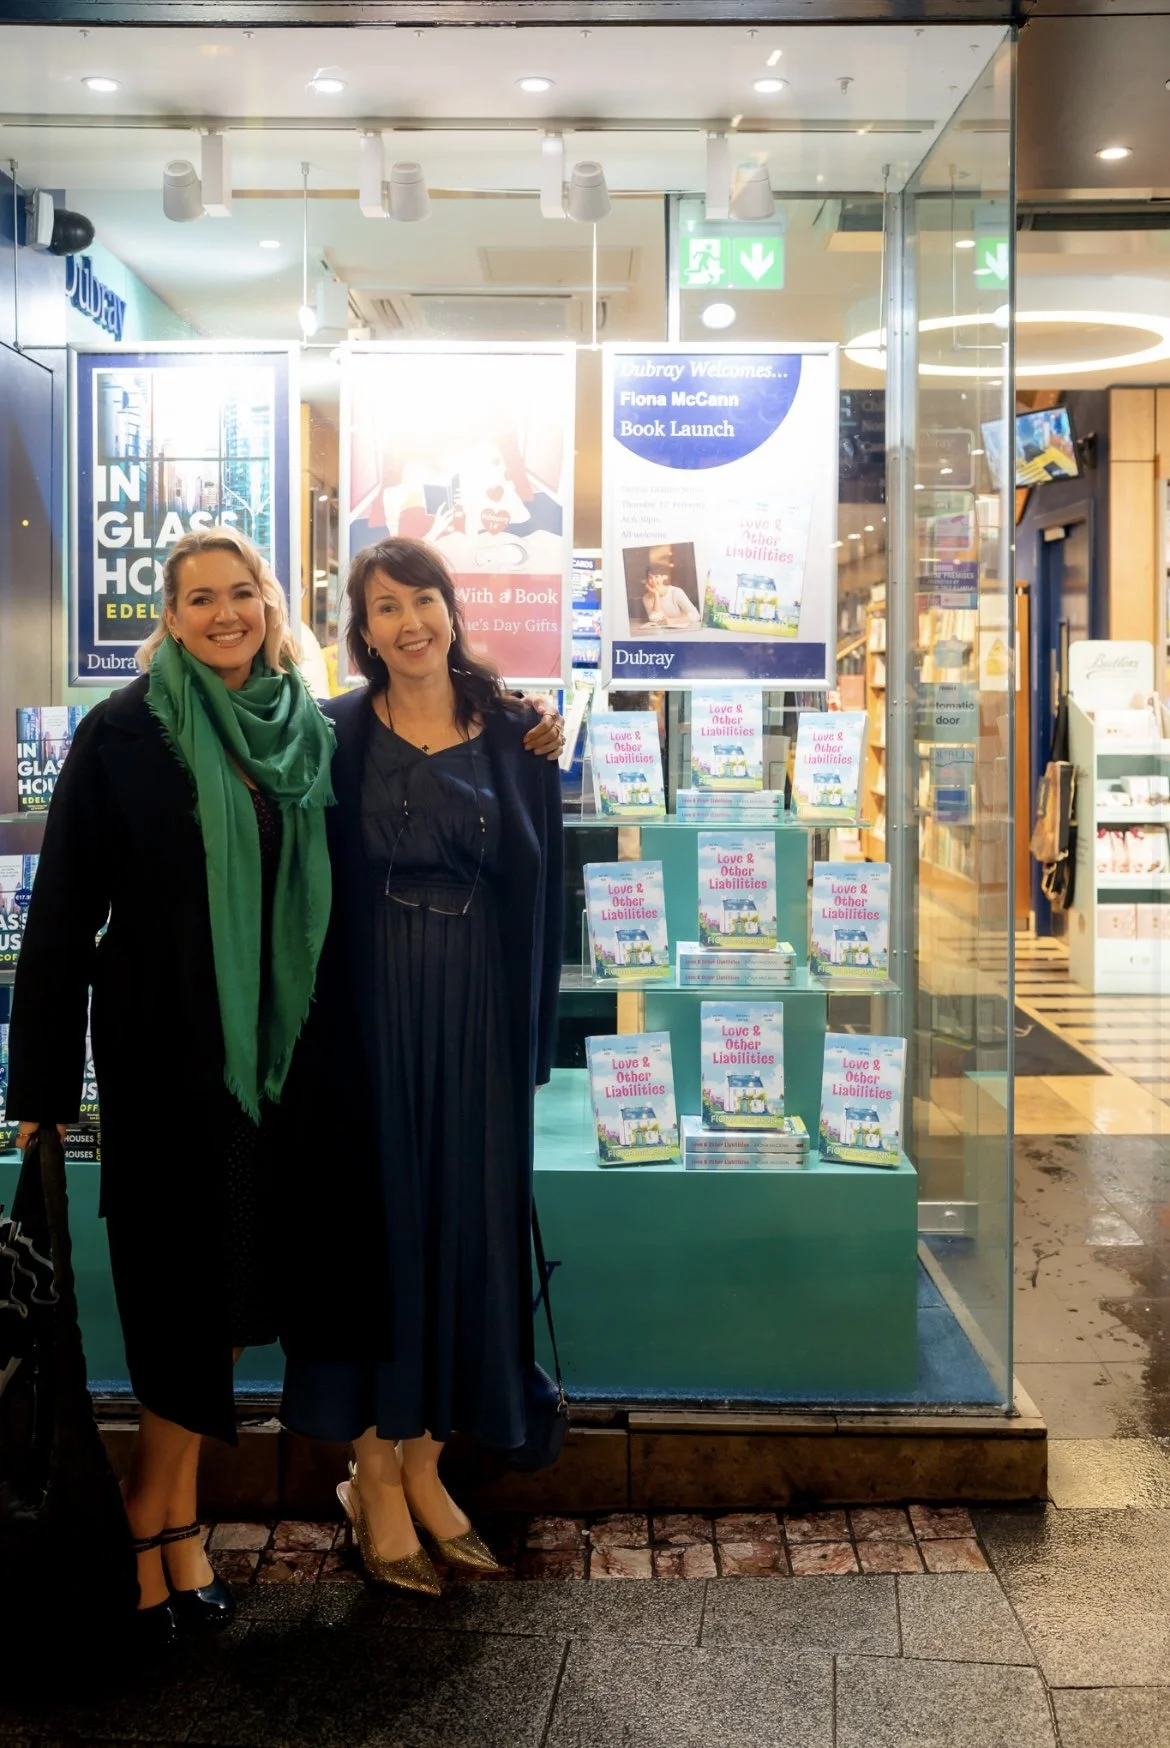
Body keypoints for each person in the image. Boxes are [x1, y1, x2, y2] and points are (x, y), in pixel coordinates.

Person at [6, 526, 337, 1648]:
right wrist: (41, 1083)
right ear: (170, 614)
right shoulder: (125, 733)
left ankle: (173, 1514)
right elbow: (60, 917)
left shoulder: (300, 726)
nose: (223, 614)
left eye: (240, 592)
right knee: (176, 1285)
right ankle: (157, 1522)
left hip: (272, 1061)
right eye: (198, 598)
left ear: (268, 600)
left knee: (235, 1287)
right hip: (164, 1059)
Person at [279, 537, 565, 1595]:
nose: (411, 622)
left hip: (477, 1016)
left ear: (452, 607)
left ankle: (430, 1456)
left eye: (424, 599)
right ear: (364, 628)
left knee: (468, 1232)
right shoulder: (336, 731)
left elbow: (544, 885)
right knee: (373, 1234)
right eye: (386, 606)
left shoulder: (514, 733)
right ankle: (371, 1468)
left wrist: (530, 1036)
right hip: (367, 1020)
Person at [641, 562, 700, 628]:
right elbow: (654, 620)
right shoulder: (646, 597)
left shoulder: (676, 592)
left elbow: (695, 615)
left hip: (684, 629)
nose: (654, 581)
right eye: (650, 577)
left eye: (656, 576)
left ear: (664, 577)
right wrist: (656, 595)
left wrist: (672, 621)